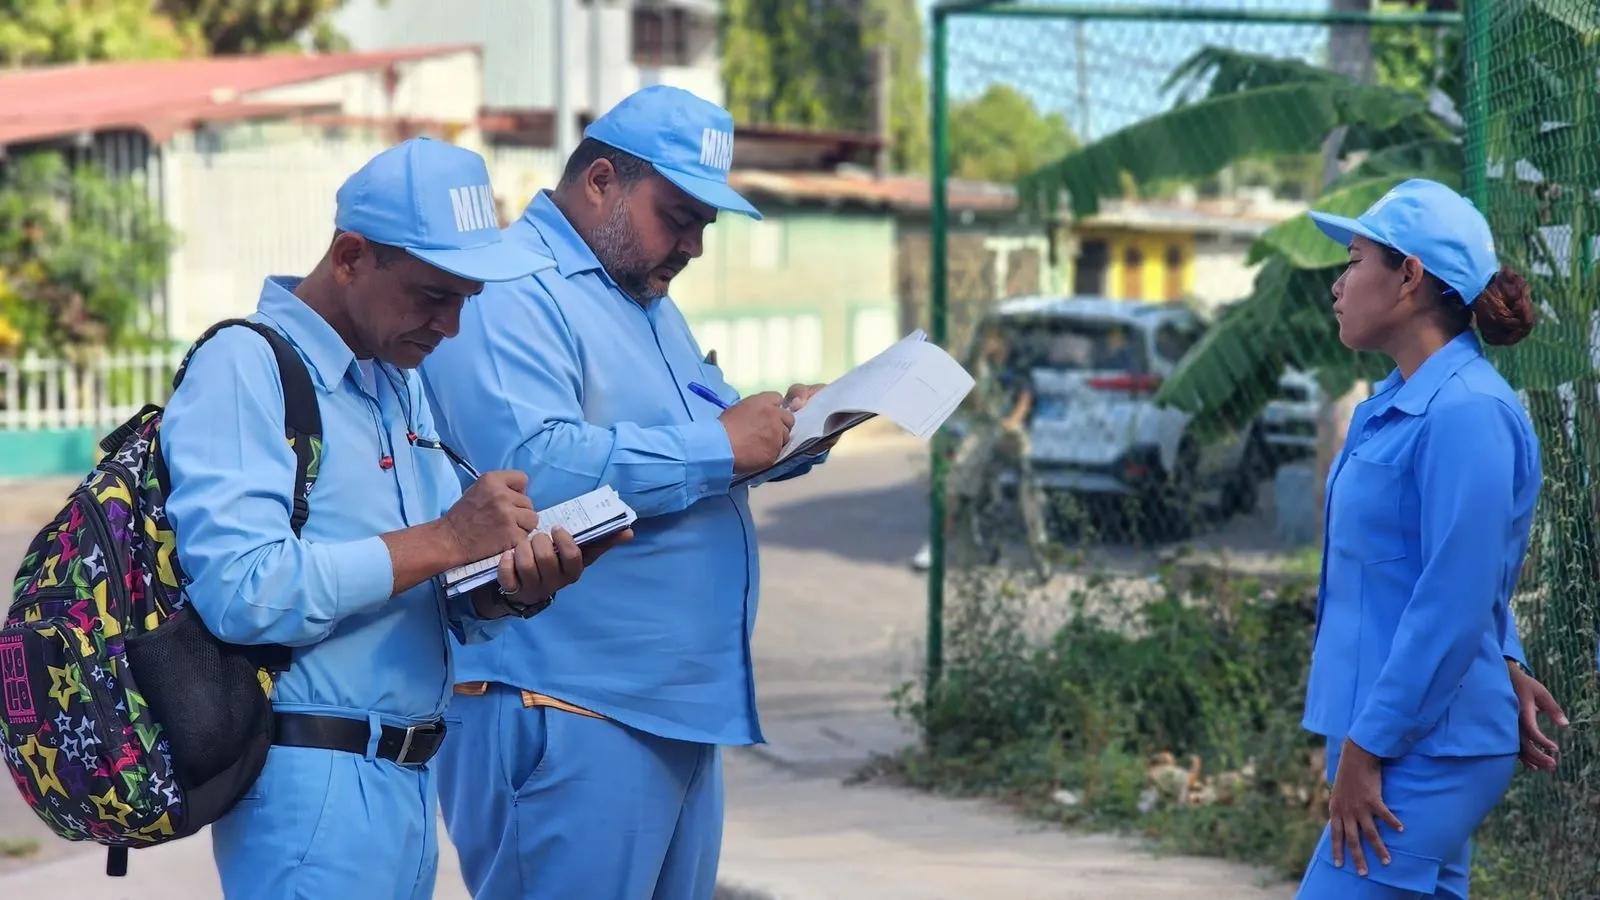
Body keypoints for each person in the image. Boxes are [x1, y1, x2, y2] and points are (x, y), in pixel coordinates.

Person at [161, 137, 629, 900]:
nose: (450, 326)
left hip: (407, 781)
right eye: (432, 294)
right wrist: (446, 538)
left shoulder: (394, 381)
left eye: (465, 300)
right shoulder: (246, 364)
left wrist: (506, 591)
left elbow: (423, 589)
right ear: (351, 257)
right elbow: (244, 591)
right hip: (310, 786)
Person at [418, 86, 834, 900]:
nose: (693, 246)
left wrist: (794, 433)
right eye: (677, 217)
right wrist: (720, 446)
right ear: (602, 180)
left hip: (667, 706)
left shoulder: (644, 300)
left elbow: (707, 444)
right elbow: (530, 471)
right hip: (564, 700)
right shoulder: (514, 287)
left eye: (705, 225)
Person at [1296, 178, 1567, 900]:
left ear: (1409, 276)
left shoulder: (1467, 413)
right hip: (1392, 730)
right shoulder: (1396, 404)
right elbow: (1447, 567)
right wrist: (1503, 656)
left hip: (1420, 745)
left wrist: (1369, 747)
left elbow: (1456, 594)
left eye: (1354, 261)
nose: (1338, 285)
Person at [911, 326, 1049, 574]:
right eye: (984, 340)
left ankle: (1040, 553)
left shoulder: (1016, 363)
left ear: (1001, 341)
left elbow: (1025, 397)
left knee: (1027, 491)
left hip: (1010, 431)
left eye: (990, 340)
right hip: (984, 429)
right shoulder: (978, 366)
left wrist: (1012, 421)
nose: (985, 345)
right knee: (953, 484)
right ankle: (936, 545)